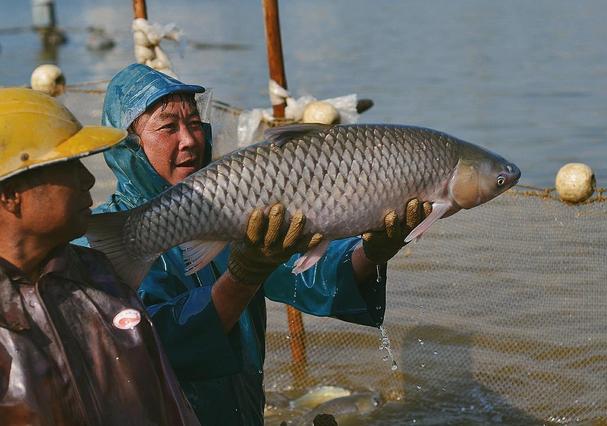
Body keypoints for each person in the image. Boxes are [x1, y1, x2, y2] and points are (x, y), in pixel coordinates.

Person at [80, 63, 430, 425]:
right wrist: (243, 276)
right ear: (129, 147)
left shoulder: (234, 211)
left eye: (195, 124)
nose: (189, 140)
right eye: (168, 127)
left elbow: (308, 276)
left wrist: (371, 251)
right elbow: (149, 349)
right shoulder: (99, 244)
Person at [0, 87, 199, 425]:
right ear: (10, 195)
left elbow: (170, 408)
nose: (89, 179)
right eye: (68, 166)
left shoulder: (102, 281)